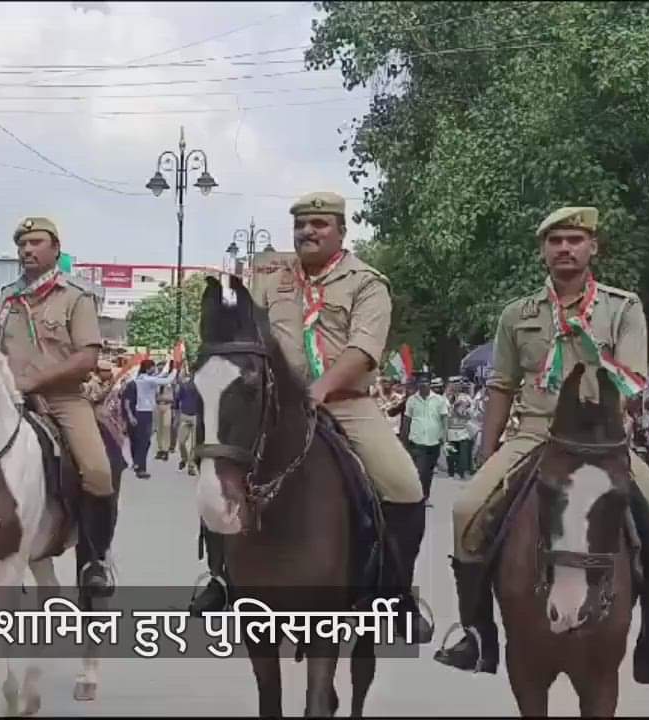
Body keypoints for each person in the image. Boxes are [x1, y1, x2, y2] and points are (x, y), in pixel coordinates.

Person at [433, 206, 649, 696]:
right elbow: (501, 384)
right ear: (543, 250)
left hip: (603, 441)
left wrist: (585, 339)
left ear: (592, 248)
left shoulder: (622, 309)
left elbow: (631, 380)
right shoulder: (517, 314)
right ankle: (476, 632)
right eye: (556, 240)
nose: (565, 248)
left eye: (575, 239)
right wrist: (487, 448)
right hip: (535, 433)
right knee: (465, 511)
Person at [191, 191, 432, 641]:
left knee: (404, 484)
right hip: (277, 407)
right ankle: (222, 579)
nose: (308, 232)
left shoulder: (366, 283)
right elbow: (249, 329)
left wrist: (319, 390)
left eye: (319, 224)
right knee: (222, 467)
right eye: (301, 224)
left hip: (346, 403)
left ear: (341, 230)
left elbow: (363, 349)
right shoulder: (270, 276)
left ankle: (394, 596)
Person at [0, 216, 118, 596]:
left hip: (64, 400)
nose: (27, 250)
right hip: (10, 400)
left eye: (36, 242)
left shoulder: (75, 297)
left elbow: (86, 359)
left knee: (98, 470)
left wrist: (34, 381)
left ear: (55, 250)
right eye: (22, 244)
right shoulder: (7, 297)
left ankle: (94, 560)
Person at [402, 373, 448, 504]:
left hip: (434, 441)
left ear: (430, 384)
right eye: (421, 383)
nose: (423, 385)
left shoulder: (439, 400)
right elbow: (407, 420)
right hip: (417, 441)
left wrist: (445, 438)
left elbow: (444, 419)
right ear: (418, 385)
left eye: (426, 383)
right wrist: (404, 439)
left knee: (428, 471)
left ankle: (426, 496)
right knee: (420, 470)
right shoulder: (412, 400)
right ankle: (418, 496)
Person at [131, 358, 177, 478]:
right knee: (145, 441)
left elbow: (160, 376)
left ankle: (137, 463)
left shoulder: (141, 377)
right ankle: (141, 468)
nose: (155, 369)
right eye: (153, 367)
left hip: (140, 411)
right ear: (148, 368)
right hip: (145, 412)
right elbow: (167, 380)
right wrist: (176, 368)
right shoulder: (147, 379)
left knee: (143, 440)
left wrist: (168, 366)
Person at [446, 378, 475, 480]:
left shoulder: (465, 398)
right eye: (452, 384)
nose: (454, 386)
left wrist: (460, 408)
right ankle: (451, 472)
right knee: (451, 453)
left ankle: (462, 472)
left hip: (463, 429)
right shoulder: (446, 398)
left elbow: (470, 413)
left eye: (456, 384)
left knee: (463, 452)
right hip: (450, 429)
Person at [175, 371, 201, 476]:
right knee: (181, 441)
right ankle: (184, 458)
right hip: (185, 415)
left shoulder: (202, 387)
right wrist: (176, 414)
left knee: (194, 444)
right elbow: (177, 399)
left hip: (196, 416)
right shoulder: (184, 386)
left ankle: (191, 466)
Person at [153, 379, 174, 461]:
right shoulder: (156, 386)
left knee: (166, 427)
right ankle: (160, 449)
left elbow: (172, 398)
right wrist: (159, 399)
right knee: (159, 429)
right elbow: (154, 397)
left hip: (167, 407)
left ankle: (166, 450)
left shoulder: (169, 386)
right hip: (158, 407)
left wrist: (162, 398)